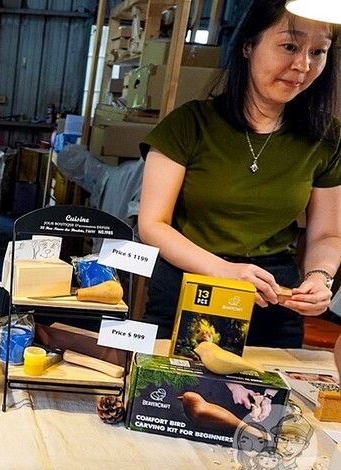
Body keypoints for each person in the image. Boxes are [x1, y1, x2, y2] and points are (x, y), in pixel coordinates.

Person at [138, 0, 341, 347]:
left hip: (273, 297)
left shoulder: (326, 137)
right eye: (289, 46)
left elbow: (327, 234)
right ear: (248, 45)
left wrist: (320, 278)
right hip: (191, 285)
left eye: (318, 52)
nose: (303, 65)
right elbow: (153, 224)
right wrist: (225, 271)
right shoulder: (189, 124)